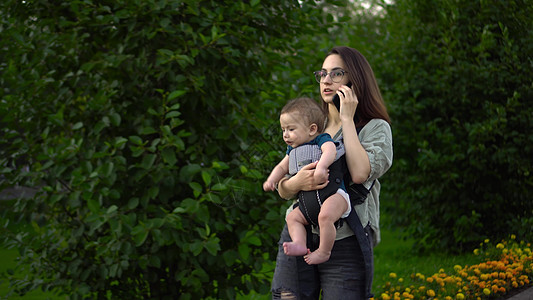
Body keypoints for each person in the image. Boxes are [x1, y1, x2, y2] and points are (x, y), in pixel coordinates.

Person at [271, 46, 393, 300]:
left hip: (345, 238)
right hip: (300, 232)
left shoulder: (375, 128)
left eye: (336, 73)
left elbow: (360, 174)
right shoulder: (313, 125)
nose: (326, 80)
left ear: (355, 79)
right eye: (323, 73)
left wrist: (347, 120)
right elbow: (283, 187)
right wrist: (295, 183)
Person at [263, 97, 351, 265]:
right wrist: (272, 180)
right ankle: (299, 243)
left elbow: (330, 150)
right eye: (283, 130)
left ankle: (324, 251)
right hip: (307, 202)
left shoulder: (321, 140)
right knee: (292, 218)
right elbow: (282, 168)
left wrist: (321, 167)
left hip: (334, 194)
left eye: (291, 129)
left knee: (325, 217)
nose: (285, 135)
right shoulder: (292, 151)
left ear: (312, 129)